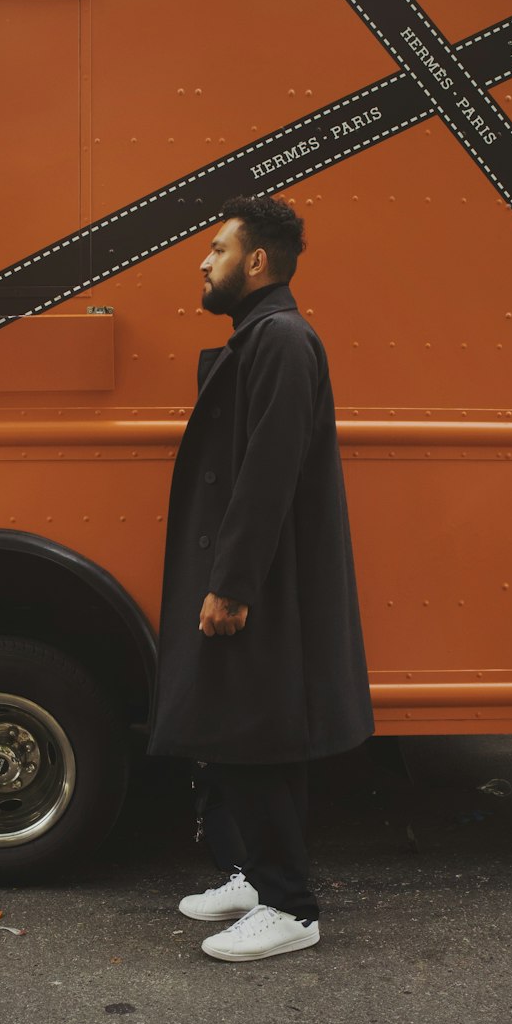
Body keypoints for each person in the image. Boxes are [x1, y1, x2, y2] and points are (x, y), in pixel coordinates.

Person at [149, 193, 374, 962]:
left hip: (265, 586)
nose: (202, 261)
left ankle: (291, 905)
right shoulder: (261, 336)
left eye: (216, 248)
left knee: (260, 731)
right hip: (251, 578)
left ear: (255, 262)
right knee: (234, 724)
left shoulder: (279, 338)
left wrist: (233, 583)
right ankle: (249, 875)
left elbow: (268, 473)